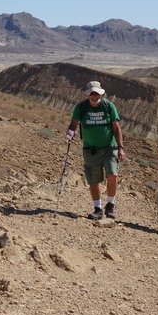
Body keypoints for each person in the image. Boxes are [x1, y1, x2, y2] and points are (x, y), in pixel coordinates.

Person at [66, 81, 126, 220]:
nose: (94, 96)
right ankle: (97, 208)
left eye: (96, 93)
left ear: (101, 93)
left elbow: (116, 128)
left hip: (109, 148)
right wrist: (70, 134)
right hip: (90, 149)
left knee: (113, 175)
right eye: (92, 93)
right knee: (93, 180)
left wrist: (120, 147)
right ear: (87, 95)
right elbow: (73, 123)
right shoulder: (81, 108)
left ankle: (110, 205)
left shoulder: (108, 106)